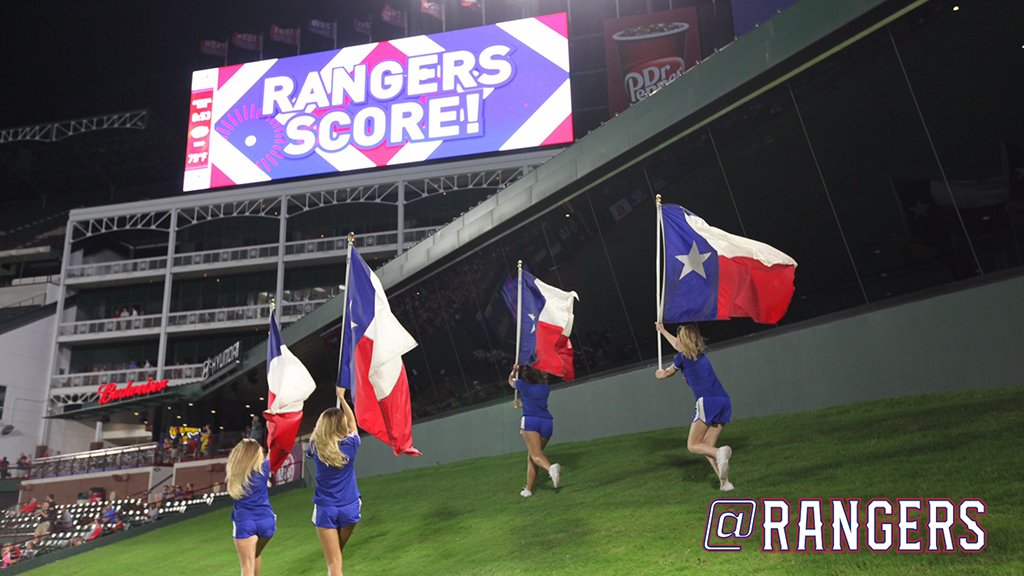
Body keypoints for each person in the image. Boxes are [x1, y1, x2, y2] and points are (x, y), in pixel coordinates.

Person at [655, 322, 734, 491]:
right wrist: (662, 330)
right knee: (707, 445)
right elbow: (678, 345)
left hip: (706, 401)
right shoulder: (701, 355)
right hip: (724, 401)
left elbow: (666, 373)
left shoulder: (681, 358)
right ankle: (725, 483)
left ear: (683, 340)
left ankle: (719, 453)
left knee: (693, 445)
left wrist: (661, 374)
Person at [307, 388, 361, 576]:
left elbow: (317, 434)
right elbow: (353, 422)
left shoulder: (315, 446)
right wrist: (341, 398)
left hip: (326, 509)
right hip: (350, 507)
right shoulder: (351, 444)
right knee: (337, 557)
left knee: (334, 563)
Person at [507, 365, 561, 497]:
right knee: (532, 455)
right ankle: (528, 490)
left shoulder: (522, 385)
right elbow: (535, 403)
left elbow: (510, 381)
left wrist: (513, 371)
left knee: (536, 455)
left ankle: (551, 469)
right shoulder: (544, 387)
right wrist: (521, 405)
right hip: (547, 422)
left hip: (531, 422)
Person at [227, 438, 276, 576]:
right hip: (267, 521)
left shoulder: (236, 474)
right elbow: (276, 447)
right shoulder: (264, 469)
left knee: (246, 568)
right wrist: (271, 426)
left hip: (245, 522)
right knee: (255, 555)